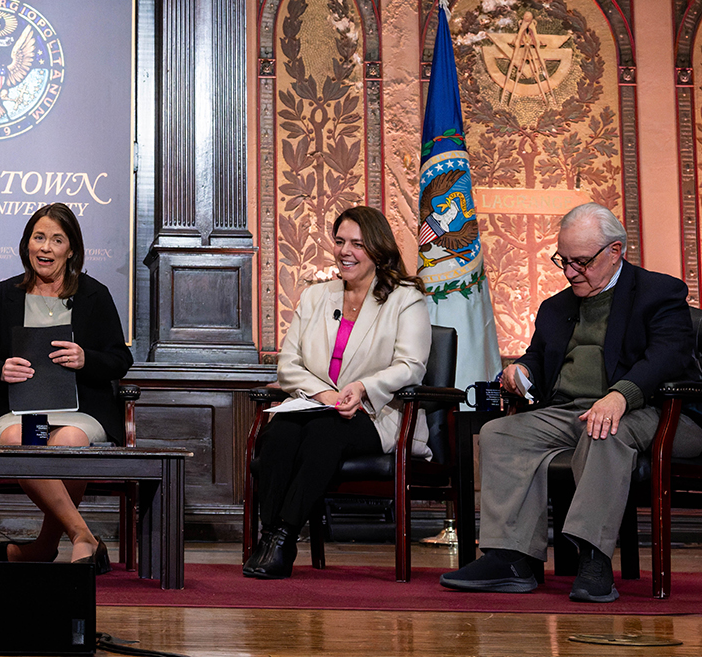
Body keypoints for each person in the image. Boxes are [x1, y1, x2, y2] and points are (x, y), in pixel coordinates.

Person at [441, 203, 702, 602]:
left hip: (651, 409)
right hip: (568, 410)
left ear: (615, 251)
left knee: (603, 432)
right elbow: (538, 359)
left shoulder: (659, 293)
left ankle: (593, 558)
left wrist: (620, 395)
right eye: (564, 261)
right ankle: (512, 559)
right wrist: (523, 372)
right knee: (500, 434)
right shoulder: (555, 307)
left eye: (581, 262)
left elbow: (669, 355)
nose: (569, 273)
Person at [243, 205, 431, 580]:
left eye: (358, 244)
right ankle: (270, 537)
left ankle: (282, 537)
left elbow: (412, 364)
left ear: (378, 249)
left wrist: (362, 388)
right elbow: (288, 365)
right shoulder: (316, 297)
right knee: (279, 433)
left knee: (324, 432)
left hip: (377, 415)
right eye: (340, 241)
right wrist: (323, 396)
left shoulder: (405, 298)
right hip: (316, 406)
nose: (346, 251)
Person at [0, 203, 133, 574]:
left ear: (71, 249)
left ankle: (43, 547)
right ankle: (82, 536)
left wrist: (85, 358)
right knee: (21, 440)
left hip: (79, 410)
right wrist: (1, 368)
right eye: (38, 237)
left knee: (69, 443)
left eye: (56, 240)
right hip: (18, 409)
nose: (45, 248)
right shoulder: (4, 294)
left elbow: (120, 360)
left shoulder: (95, 294)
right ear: (27, 244)